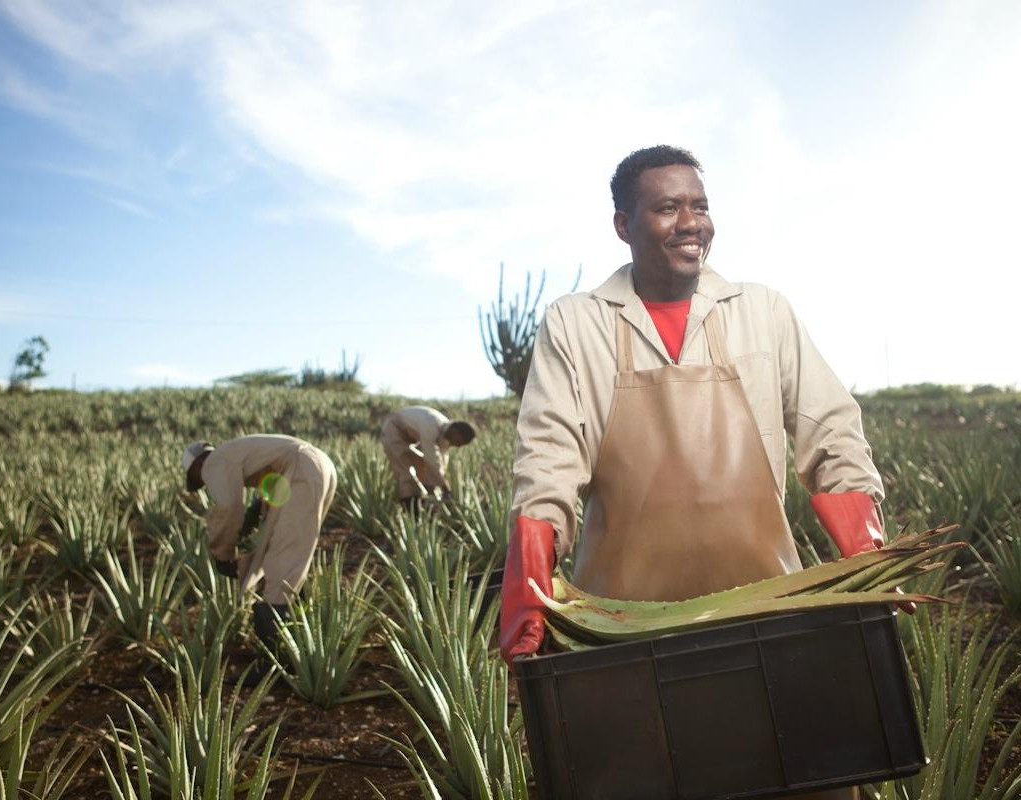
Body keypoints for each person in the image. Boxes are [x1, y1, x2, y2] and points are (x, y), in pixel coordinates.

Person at [499, 145, 890, 800]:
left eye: (701, 206)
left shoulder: (762, 310)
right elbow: (550, 452)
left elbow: (830, 429)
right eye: (668, 207)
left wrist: (866, 549)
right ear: (624, 224)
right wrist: (532, 569)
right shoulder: (579, 322)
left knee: (799, 777)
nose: (691, 222)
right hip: (627, 626)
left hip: (766, 608)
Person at [182, 434, 337, 677]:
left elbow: (227, 508)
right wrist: (255, 515)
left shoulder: (214, 461)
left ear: (196, 465)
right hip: (321, 466)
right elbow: (273, 479)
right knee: (295, 555)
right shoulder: (239, 451)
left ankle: (275, 666)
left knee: (282, 563)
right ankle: (303, 643)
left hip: (302, 469)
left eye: (196, 478)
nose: (202, 483)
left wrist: (222, 554)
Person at [379, 405, 476, 511]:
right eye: (459, 442)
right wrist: (445, 486)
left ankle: (423, 501)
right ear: (456, 432)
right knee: (406, 473)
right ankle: (410, 508)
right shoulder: (431, 425)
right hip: (394, 430)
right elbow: (431, 458)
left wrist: (439, 484)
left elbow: (441, 460)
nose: (457, 446)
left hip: (410, 438)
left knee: (422, 468)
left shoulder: (446, 433)